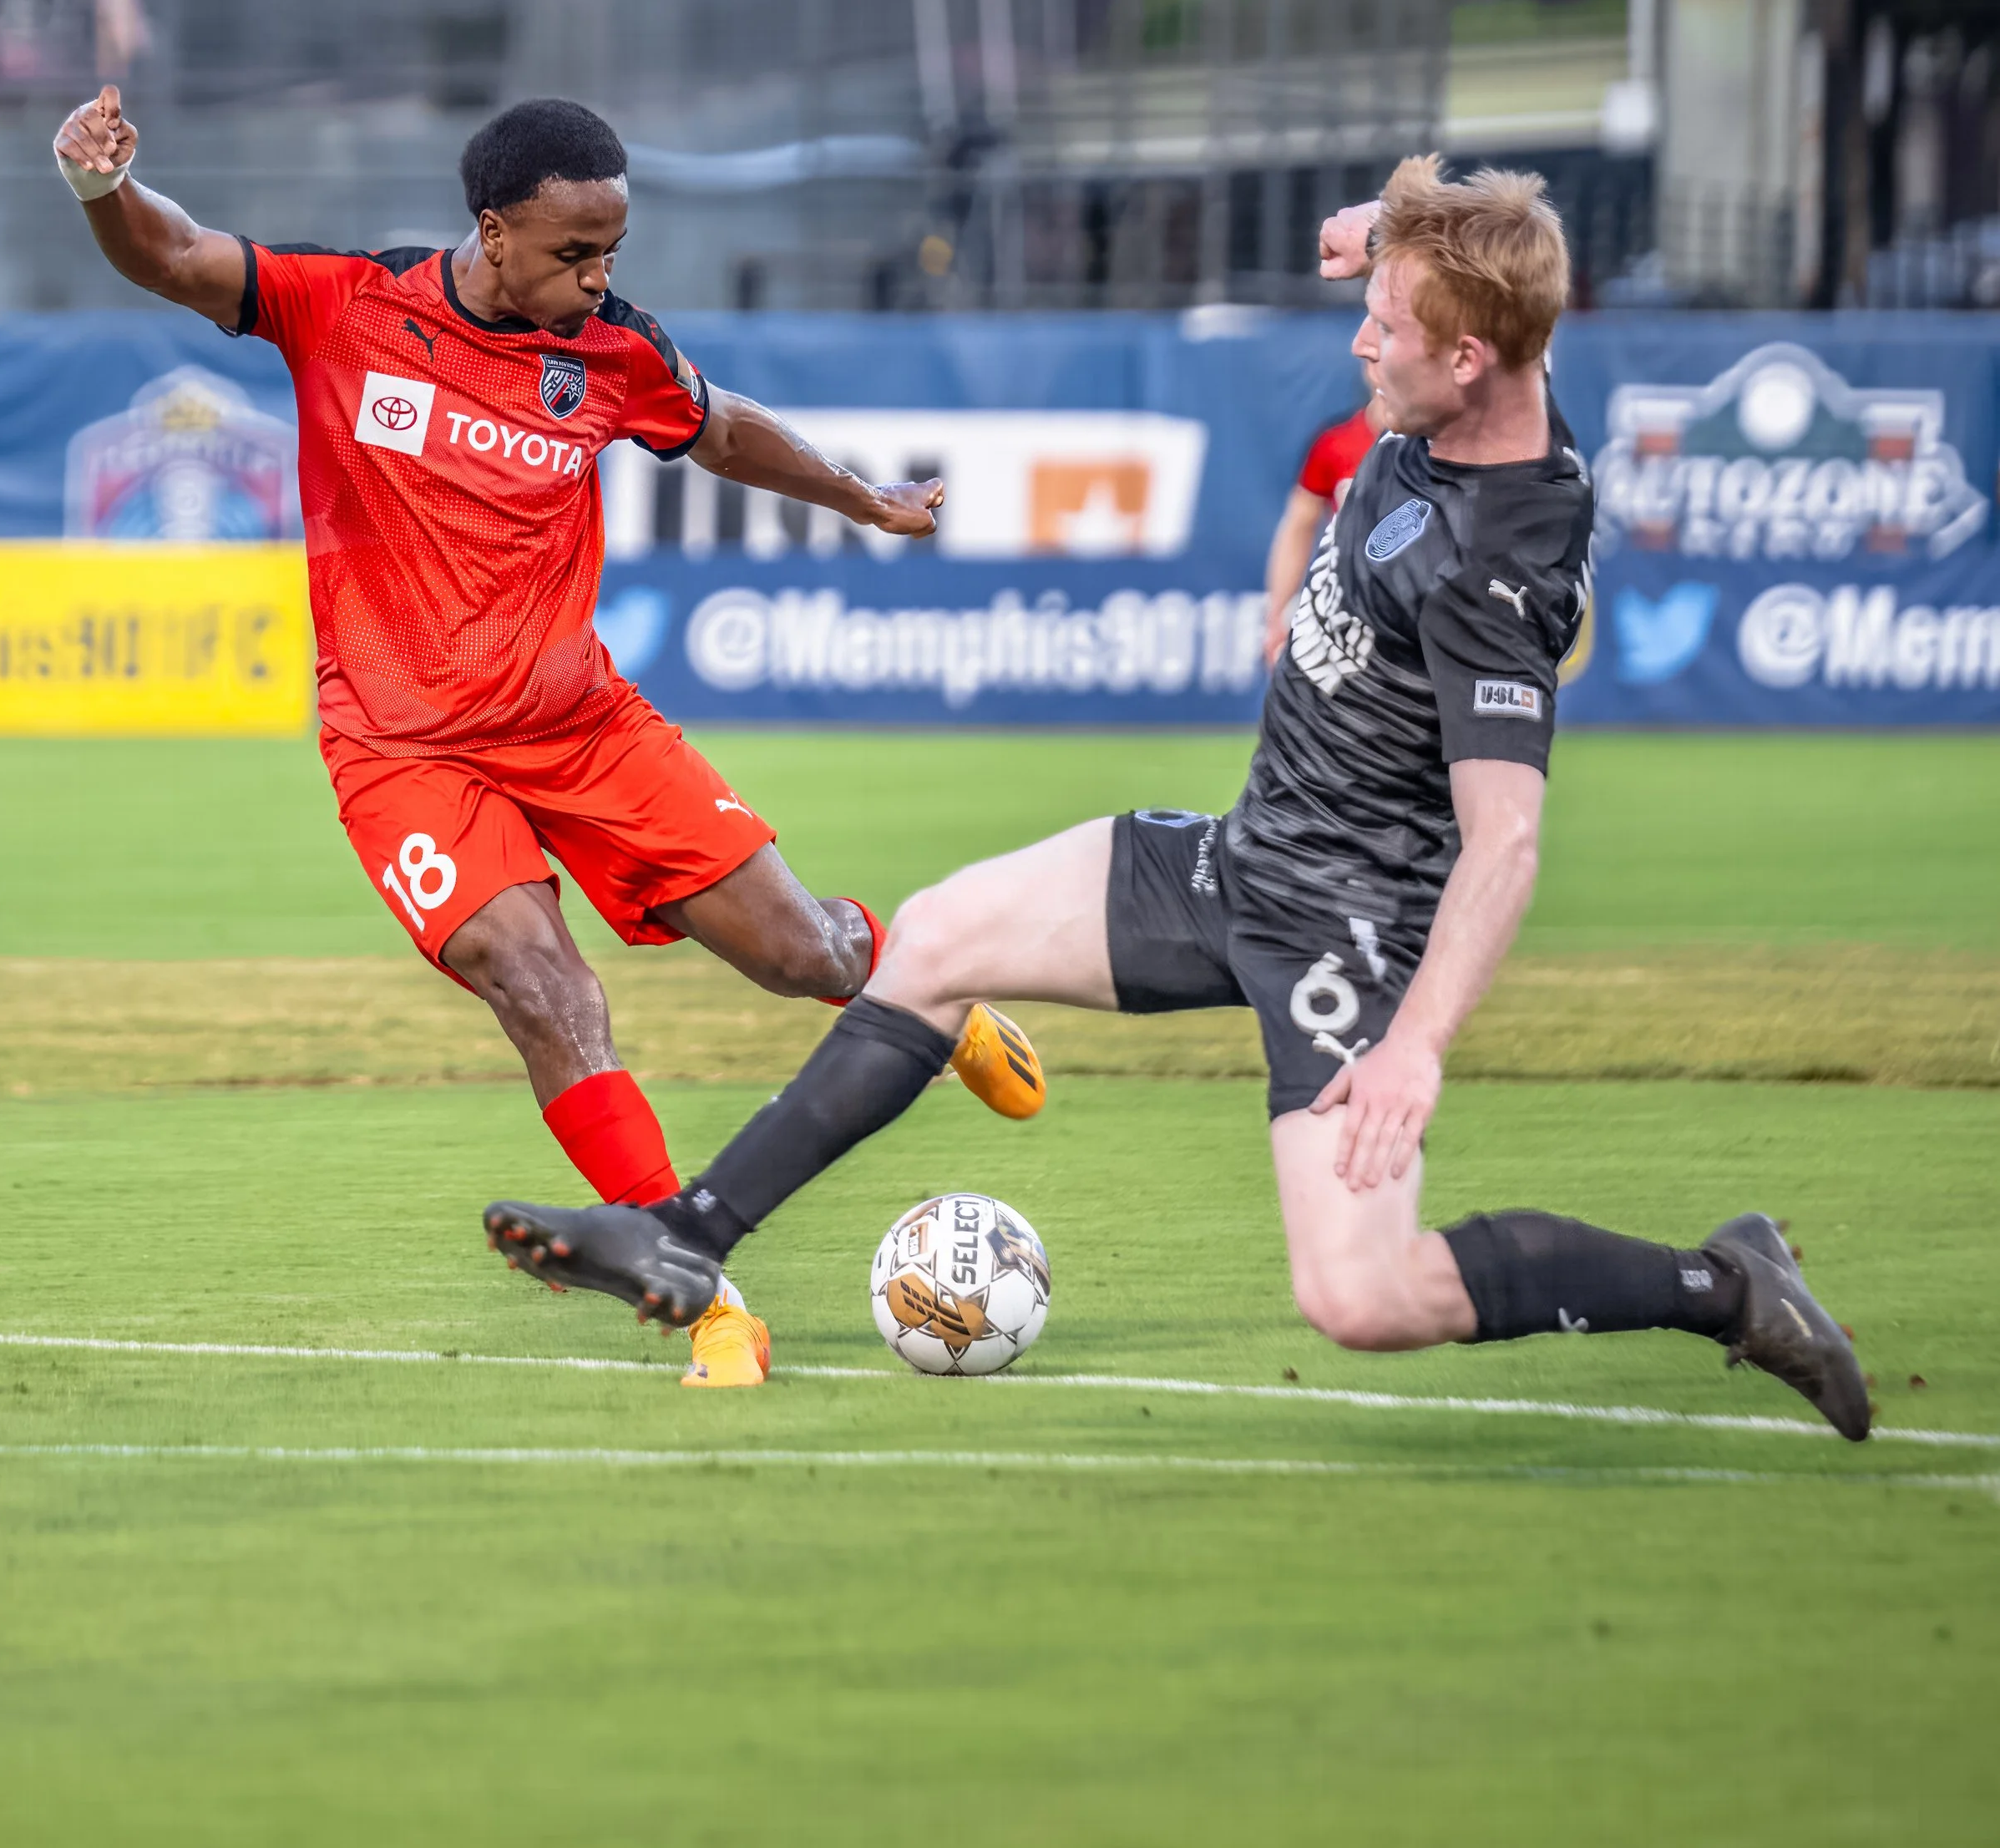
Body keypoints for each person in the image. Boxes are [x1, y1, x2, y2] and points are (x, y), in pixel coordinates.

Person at [485, 155, 1870, 1444]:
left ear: (1468, 357)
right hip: (1241, 859)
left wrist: (1420, 1048)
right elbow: (1503, 263)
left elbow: (1505, 843)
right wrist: (1387, 230)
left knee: (1364, 1299)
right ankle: (688, 1236)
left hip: (1343, 934)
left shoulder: (1498, 569)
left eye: (1386, 326)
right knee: (935, 940)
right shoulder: (1488, 350)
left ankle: (1727, 1287)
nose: (1357, 343)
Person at [52, 85, 1046, 1389]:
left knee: (801, 954)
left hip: (580, 724)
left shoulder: (613, 352)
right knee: (548, 992)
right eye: (573, 253)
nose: (598, 278)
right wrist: (97, 186)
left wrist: (864, 500)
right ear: (493, 230)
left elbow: (726, 428)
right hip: (404, 752)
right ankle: (703, 1294)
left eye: (611, 253)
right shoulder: (345, 306)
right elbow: (174, 254)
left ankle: (923, 982)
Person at [1261, 394, 1380, 667]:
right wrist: (1277, 615)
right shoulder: (1338, 443)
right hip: (1348, 618)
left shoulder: (1437, 445)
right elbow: (1299, 524)